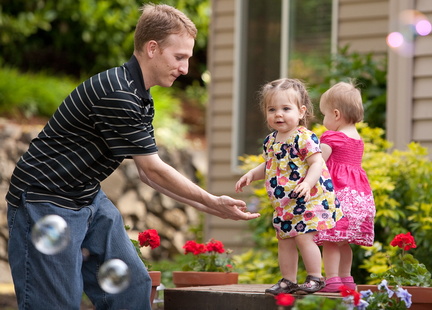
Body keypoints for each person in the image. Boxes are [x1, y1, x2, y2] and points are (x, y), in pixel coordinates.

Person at [6, 4, 260, 310]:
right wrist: (211, 201)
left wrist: (212, 208)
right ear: (152, 48)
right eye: (179, 57)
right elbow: (153, 170)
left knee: (132, 287)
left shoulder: (139, 94)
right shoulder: (119, 94)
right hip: (44, 201)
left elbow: (145, 174)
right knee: (56, 304)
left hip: (86, 197)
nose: (185, 69)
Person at [235, 78, 343, 295]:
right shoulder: (271, 140)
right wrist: (251, 174)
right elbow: (269, 164)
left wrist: (307, 183)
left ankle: (315, 277)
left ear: (301, 112)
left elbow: (316, 163)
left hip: (307, 198)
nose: (278, 114)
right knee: (285, 240)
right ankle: (288, 280)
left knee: (304, 237)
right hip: (284, 203)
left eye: (286, 108)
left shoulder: (303, 137)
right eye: (272, 109)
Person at [314, 81, 376, 292]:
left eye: (324, 115)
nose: (323, 121)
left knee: (331, 241)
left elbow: (318, 164)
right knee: (343, 242)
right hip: (358, 198)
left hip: (337, 198)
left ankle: (331, 280)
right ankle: (346, 279)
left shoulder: (332, 137)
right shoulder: (357, 140)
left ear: (336, 114)